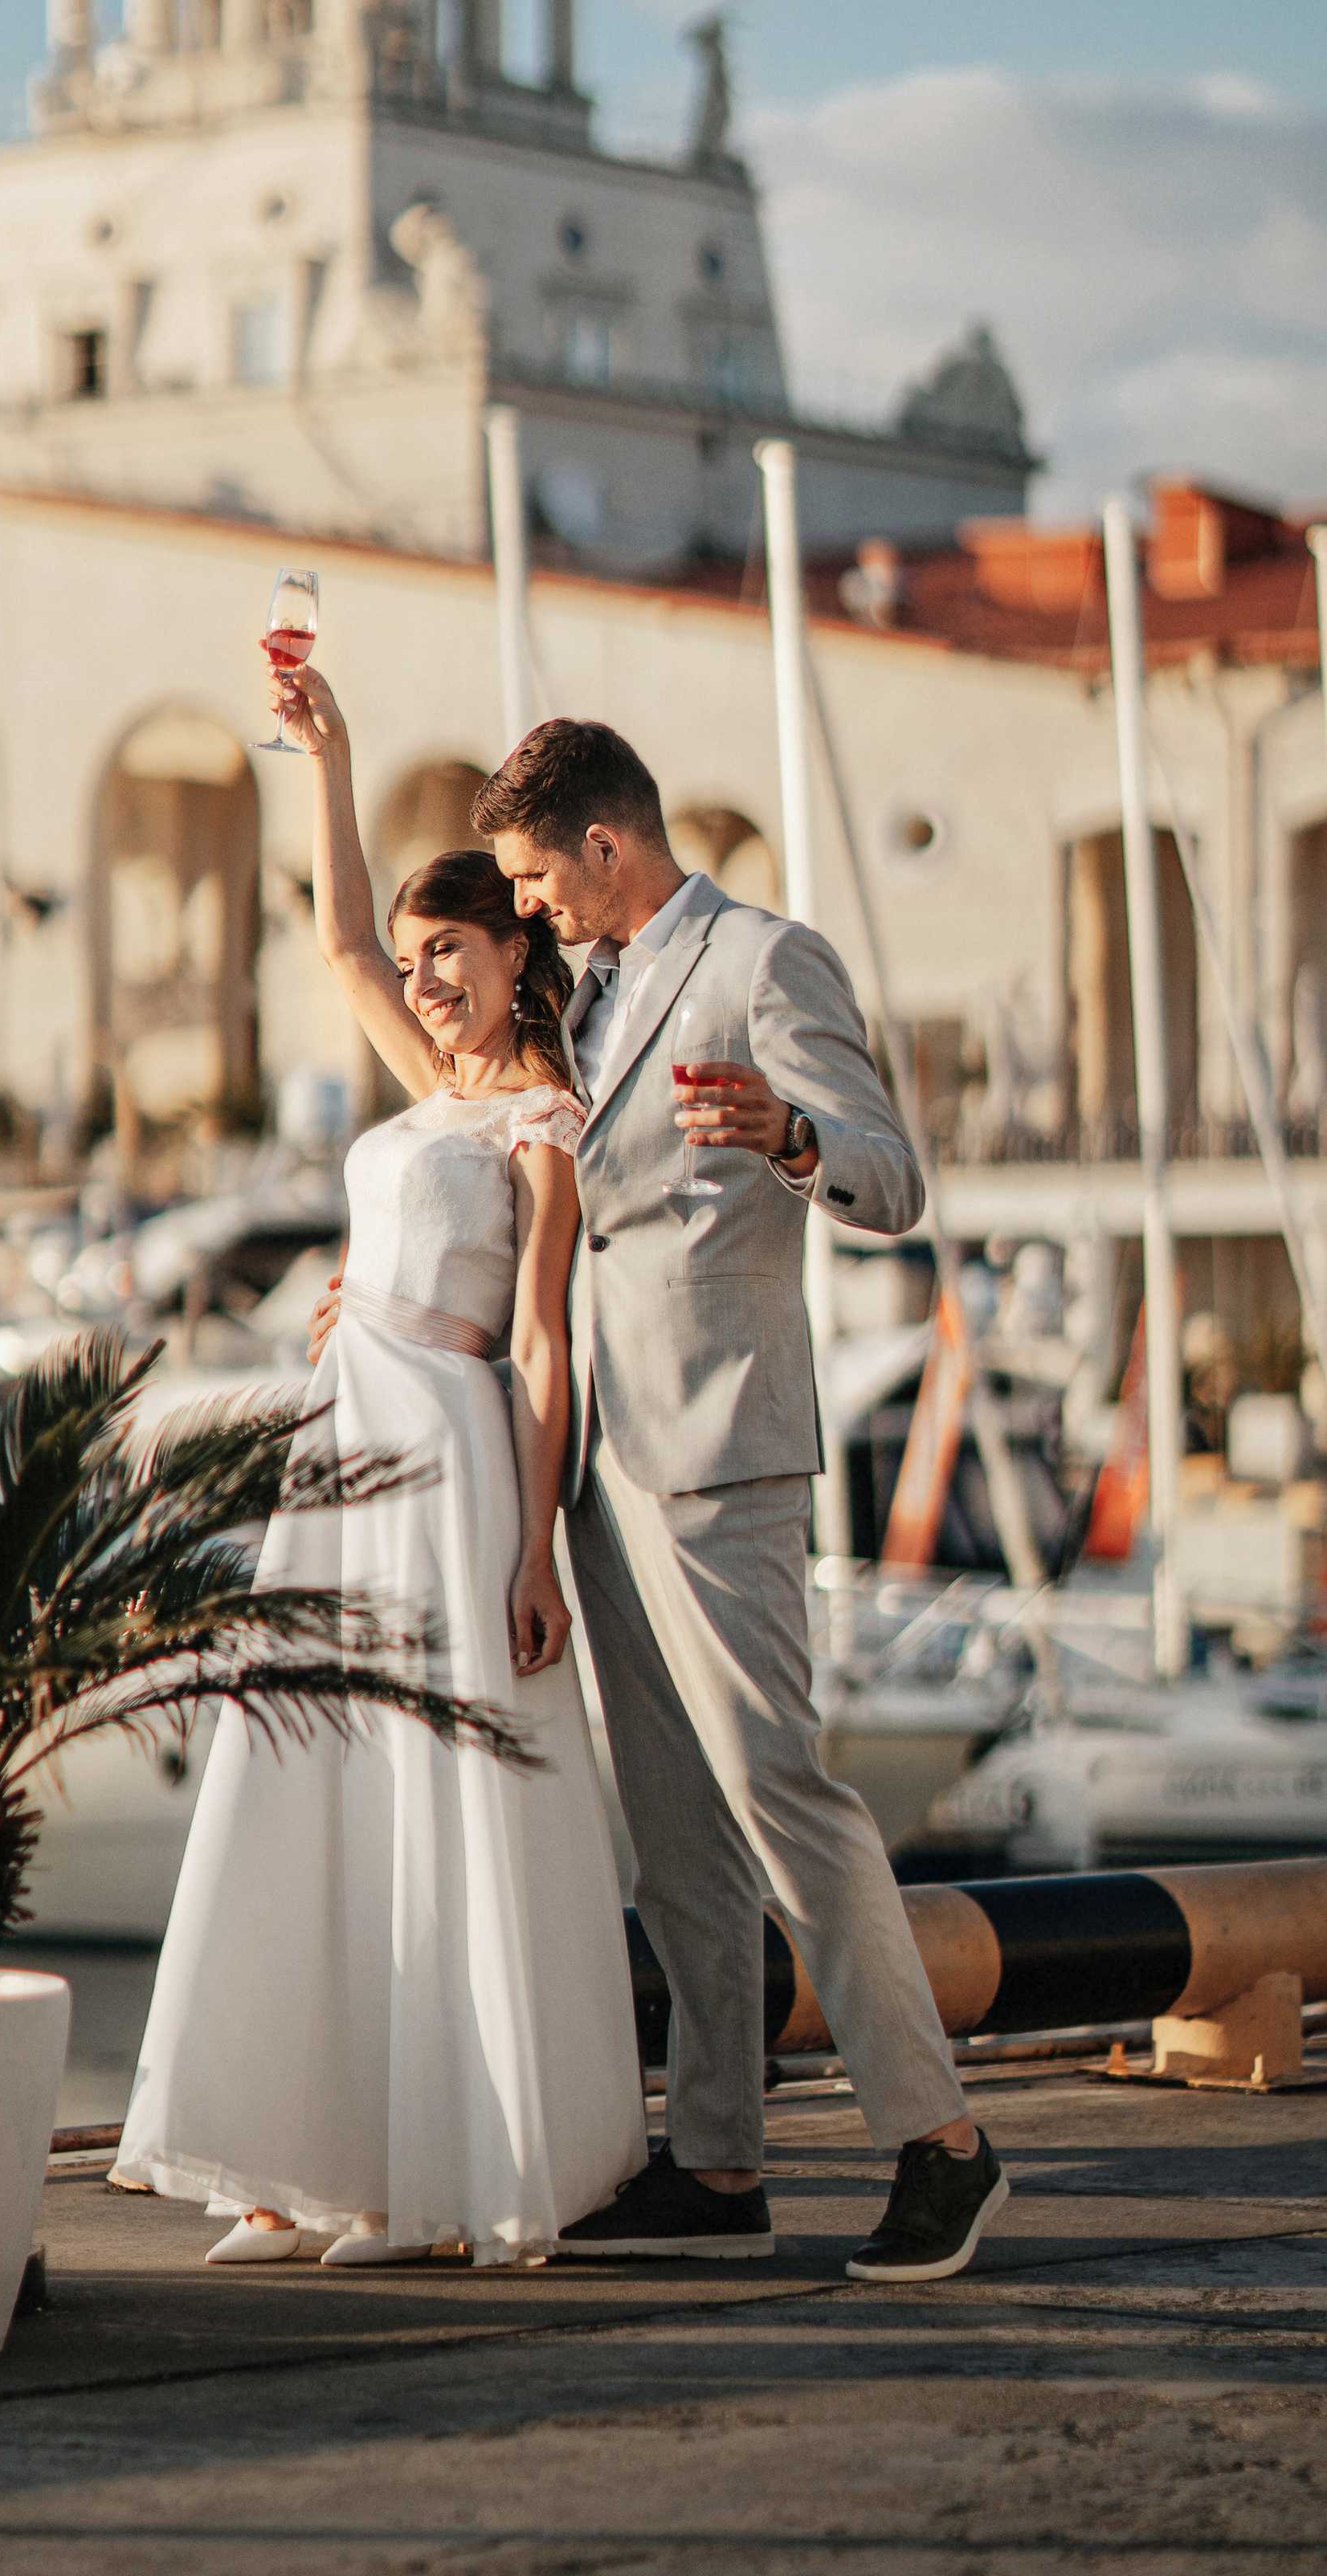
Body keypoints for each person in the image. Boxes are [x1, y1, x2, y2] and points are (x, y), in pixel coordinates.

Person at [111, 661, 643, 2268]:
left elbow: (545, 1342)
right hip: (341, 1447)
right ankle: (288, 2155)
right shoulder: (428, 1089)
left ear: (515, 950)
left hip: (454, 1458)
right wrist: (323, 753)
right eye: (416, 960)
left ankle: (435, 2179)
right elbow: (333, 935)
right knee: (309, 1780)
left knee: (434, 1793)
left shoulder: (544, 1119)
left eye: (452, 954)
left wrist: (534, 1546)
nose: (420, 981)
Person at [464, 716, 1007, 2285]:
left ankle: (940, 2146)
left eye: (532, 877)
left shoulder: (764, 961)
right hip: (599, 1470)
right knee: (673, 1842)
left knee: (783, 1797)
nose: (528, 909)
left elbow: (892, 1182)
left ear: (604, 847)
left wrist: (788, 1137)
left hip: (723, 1453)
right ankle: (714, 2162)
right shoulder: (584, 991)